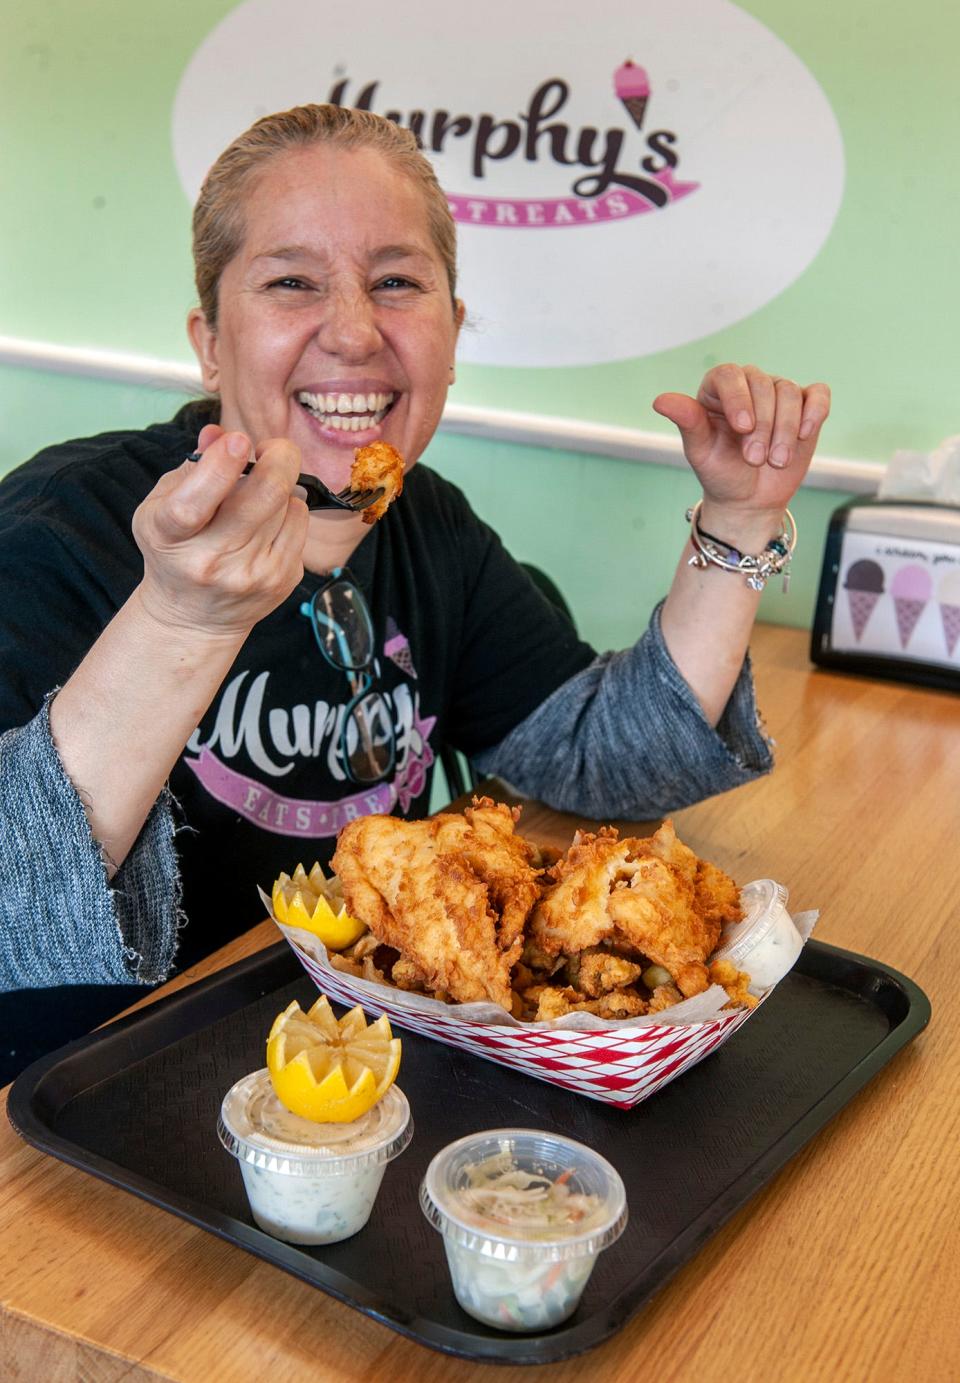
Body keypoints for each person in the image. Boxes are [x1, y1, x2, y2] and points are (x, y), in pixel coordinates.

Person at [0, 104, 830, 1074]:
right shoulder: (63, 529)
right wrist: (181, 619)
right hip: (98, 1099)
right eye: (291, 282)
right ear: (212, 340)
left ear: (451, 330)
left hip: (382, 1063)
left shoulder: (428, 525)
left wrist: (737, 519)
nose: (353, 332)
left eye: (397, 282)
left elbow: (619, 767)